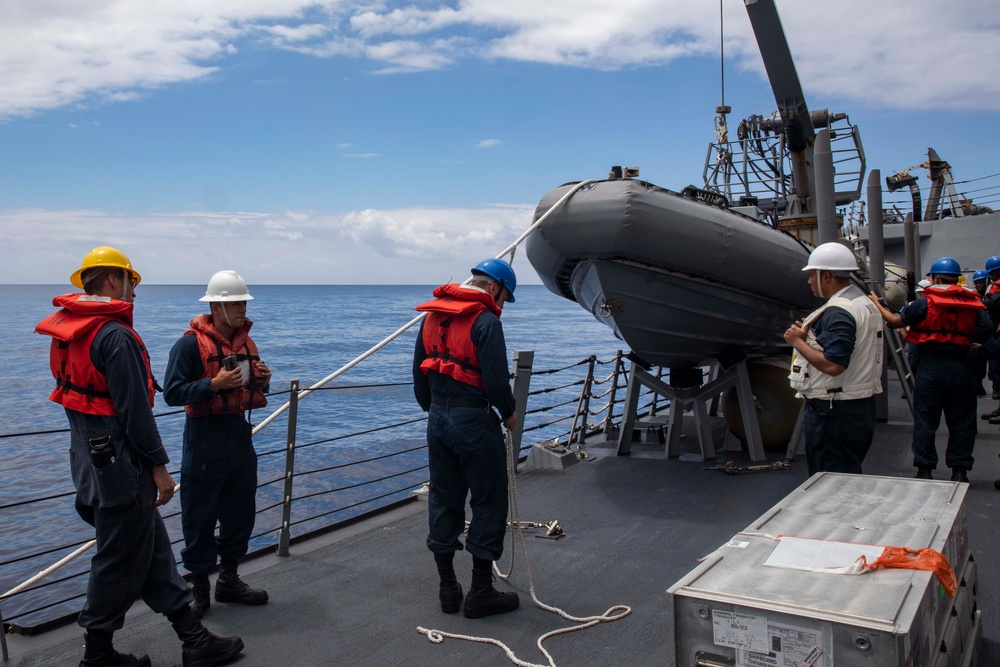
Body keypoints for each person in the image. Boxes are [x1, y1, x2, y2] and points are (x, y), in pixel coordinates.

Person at [34, 247, 244, 667]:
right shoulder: (115, 336)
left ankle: (194, 638)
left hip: (88, 461)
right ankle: (97, 655)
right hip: (122, 467)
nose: (135, 292)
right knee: (115, 559)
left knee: (154, 550)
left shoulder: (71, 334)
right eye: (132, 283)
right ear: (114, 280)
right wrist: (159, 467)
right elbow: (134, 411)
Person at [412, 258, 521, 619]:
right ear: (493, 289)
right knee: (489, 501)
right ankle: (480, 593)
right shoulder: (486, 322)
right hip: (473, 421)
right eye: (504, 297)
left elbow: (418, 376)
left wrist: (437, 411)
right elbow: (495, 382)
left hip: (438, 420)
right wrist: (508, 414)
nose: (502, 305)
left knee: (444, 499)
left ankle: (447, 590)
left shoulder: (431, 317)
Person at [163, 270, 270, 619]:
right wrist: (213, 384)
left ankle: (229, 579)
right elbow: (173, 393)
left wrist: (262, 381)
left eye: (243, 302)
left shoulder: (243, 343)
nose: (242, 308)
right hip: (204, 435)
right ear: (217, 305)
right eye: (236, 302)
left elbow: (248, 390)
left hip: (238, 432)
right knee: (199, 514)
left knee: (240, 509)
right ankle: (199, 590)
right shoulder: (189, 345)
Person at [870, 257, 991, 482]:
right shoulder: (972, 304)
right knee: (962, 422)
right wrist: (971, 341)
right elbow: (986, 327)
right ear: (957, 279)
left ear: (934, 278)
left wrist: (877, 304)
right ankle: (959, 471)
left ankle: (925, 468)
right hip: (962, 367)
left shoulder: (925, 304)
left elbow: (895, 322)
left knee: (926, 420)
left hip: (931, 366)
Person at [784, 242, 883, 476]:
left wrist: (797, 342)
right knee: (846, 477)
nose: (809, 281)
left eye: (812, 275)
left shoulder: (838, 312)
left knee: (830, 485)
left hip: (834, 413)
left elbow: (834, 364)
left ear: (825, 275)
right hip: (856, 406)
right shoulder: (862, 303)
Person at [972, 269, 991, 396]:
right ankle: (978, 386)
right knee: (978, 361)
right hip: (981, 333)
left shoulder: (992, 295)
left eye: (980, 282)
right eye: (976, 283)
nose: (978, 285)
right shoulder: (975, 297)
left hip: (992, 331)